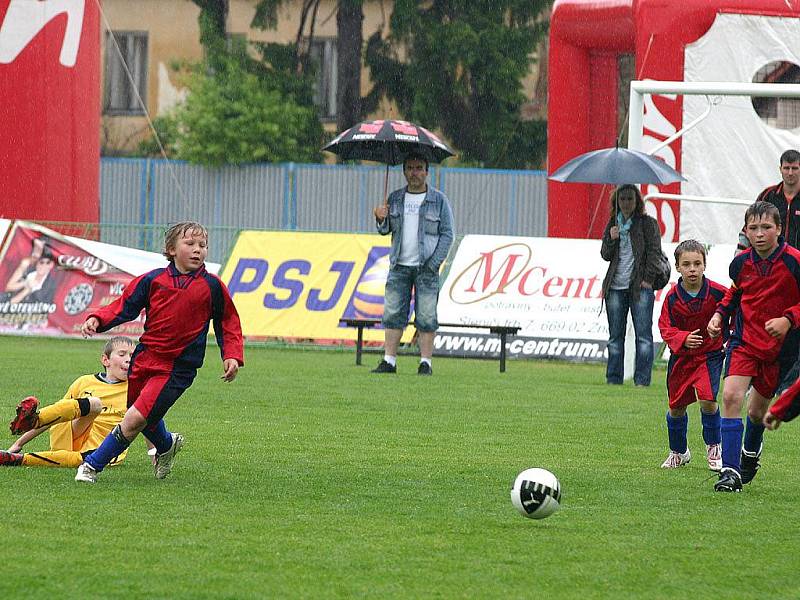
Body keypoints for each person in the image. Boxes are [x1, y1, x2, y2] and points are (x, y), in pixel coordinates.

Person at [72, 221, 244, 484]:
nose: (198, 250)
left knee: (134, 418)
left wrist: (231, 354)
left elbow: (227, 321)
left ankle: (92, 466)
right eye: (190, 244)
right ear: (171, 249)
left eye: (203, 245)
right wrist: (98, 318)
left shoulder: (212, 286)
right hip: (144, 359)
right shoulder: (153, 280)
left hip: (177, 368)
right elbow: (124, 306)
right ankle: (166, 446)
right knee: (144, 417)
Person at [707, 201, 800, 492]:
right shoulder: (740, 263)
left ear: (780, 229)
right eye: (753, 228)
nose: (759, 233)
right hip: (743, 341)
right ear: (746, 231)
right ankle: (729, 472)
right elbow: (736, 293)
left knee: (757, 413)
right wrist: (719, 315)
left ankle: (749, 454)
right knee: (732, 397)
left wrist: (787, 319)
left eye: (766, 227)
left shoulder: (794, 261)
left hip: (778, 351)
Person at [370, 154, 454, 376]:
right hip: (399, 264)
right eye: (410, 168)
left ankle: (425, 363)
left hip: (426, 266)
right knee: (393, 313)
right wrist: (380, 218)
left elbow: (447, 234)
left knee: (426, 317)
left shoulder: (439, 200)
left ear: (427, 171)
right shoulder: (395, 198)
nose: (414, 172)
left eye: (419, 168)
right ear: (404, 171)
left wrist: (434, 263)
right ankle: (389, 361)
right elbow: (385, 230)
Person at [1, 336, 135, 468]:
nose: (129, 359)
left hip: (106, 446)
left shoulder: (137, 388)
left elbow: (148, 421)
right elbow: (56, 415)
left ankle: (17, 460)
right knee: (93, 404)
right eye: (122, 354)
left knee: (84, 458)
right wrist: (18, 444)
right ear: (105, 360)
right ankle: (35, 420)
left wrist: (154, 452)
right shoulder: (84, 382)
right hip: (69, 435)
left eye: (133, 355)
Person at [657, 240, 726, 471]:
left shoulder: (718, 292)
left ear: (705, 265)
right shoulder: (672, 297)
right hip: (682, 359)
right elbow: (665, 327)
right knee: (676, 407)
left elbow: (733, 310)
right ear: (677, 267)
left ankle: (714, 448)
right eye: (686, 264)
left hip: (709, 356)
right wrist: (682, 338)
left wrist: (722, 330)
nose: (692, 268)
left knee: (708, 400)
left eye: (697, 263)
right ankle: (679, 452)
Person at [740, 149, 800, 395]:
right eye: (786, 168)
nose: (790, 172)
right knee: (769, 326)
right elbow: (748, 227)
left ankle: (787, 384)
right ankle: (762, 377)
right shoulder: (767, 196)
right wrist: (740, 256)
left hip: (797, 272)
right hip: (770, 273)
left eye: (795, 168)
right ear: (780, 169)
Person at [600, 184, 663, 387]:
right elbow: (605, 254)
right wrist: (612, 239)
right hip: (615, 287)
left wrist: (648, 280)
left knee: (643, 337)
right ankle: (613, 379)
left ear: (637, 202)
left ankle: (642, 381)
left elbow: (655, 253)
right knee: (614, 337)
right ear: (616, 202)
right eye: (622, 199)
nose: (626, 203)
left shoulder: (647, 224)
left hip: (640, 288)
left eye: (629, 199)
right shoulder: (612, 224)